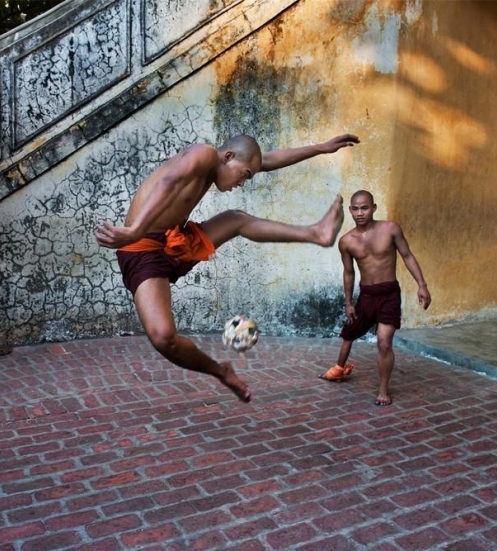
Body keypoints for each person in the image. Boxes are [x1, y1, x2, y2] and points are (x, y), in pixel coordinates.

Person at [95, 133, 360, 402]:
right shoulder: (204, 153)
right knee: (164, 338)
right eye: (244, 175)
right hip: (141, 246)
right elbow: (168, 182)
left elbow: (267, 160)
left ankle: (316, 233)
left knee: (236, 219)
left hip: (174, 240)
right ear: (228, 157)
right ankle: (220, 371)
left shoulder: (221, 163)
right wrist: (135, 230)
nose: (242, 183)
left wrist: (320, 148)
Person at [319, 190, 431, 406]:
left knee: (384, 342)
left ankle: (382, 389)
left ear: (373, 208)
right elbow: (349, 272)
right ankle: (339, 369)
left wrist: (422, 285)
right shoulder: (346, 241)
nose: (360, 213)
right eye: (355, 209)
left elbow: (407, 255)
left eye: (365, 208)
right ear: (350, 210)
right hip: (366, 295)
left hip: (389, 294)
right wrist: (349, 302)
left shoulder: (390, 229)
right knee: (350, 331)